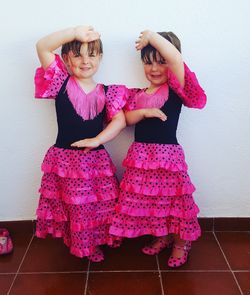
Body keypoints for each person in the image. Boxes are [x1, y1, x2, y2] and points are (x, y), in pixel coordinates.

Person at [110, 30, 206, 267]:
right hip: (141, 158)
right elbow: (127, 120)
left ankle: (181, 243)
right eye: (148, 62)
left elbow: (174, 58)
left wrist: (152, 36)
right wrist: (143, 112)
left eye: (161, 62)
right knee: (152, 202)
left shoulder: (176, 88)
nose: (154, 68)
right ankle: (161, 234)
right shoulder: (138, 94)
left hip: (167, 158)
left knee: (175, 203)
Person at [34, 26, 126, 262]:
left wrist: (97, 139)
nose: (86, 61)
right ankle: (80, 243)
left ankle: (96, 240)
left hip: (95, 161)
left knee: (96, 206)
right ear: (66, 58)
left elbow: (120, 120)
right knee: (74, 207)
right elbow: (42, 46)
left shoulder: (108, 92)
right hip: (65, 161)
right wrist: (75, 33)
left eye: (92, 54)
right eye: (78, 54)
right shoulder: (60, 82)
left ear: (100, 58)